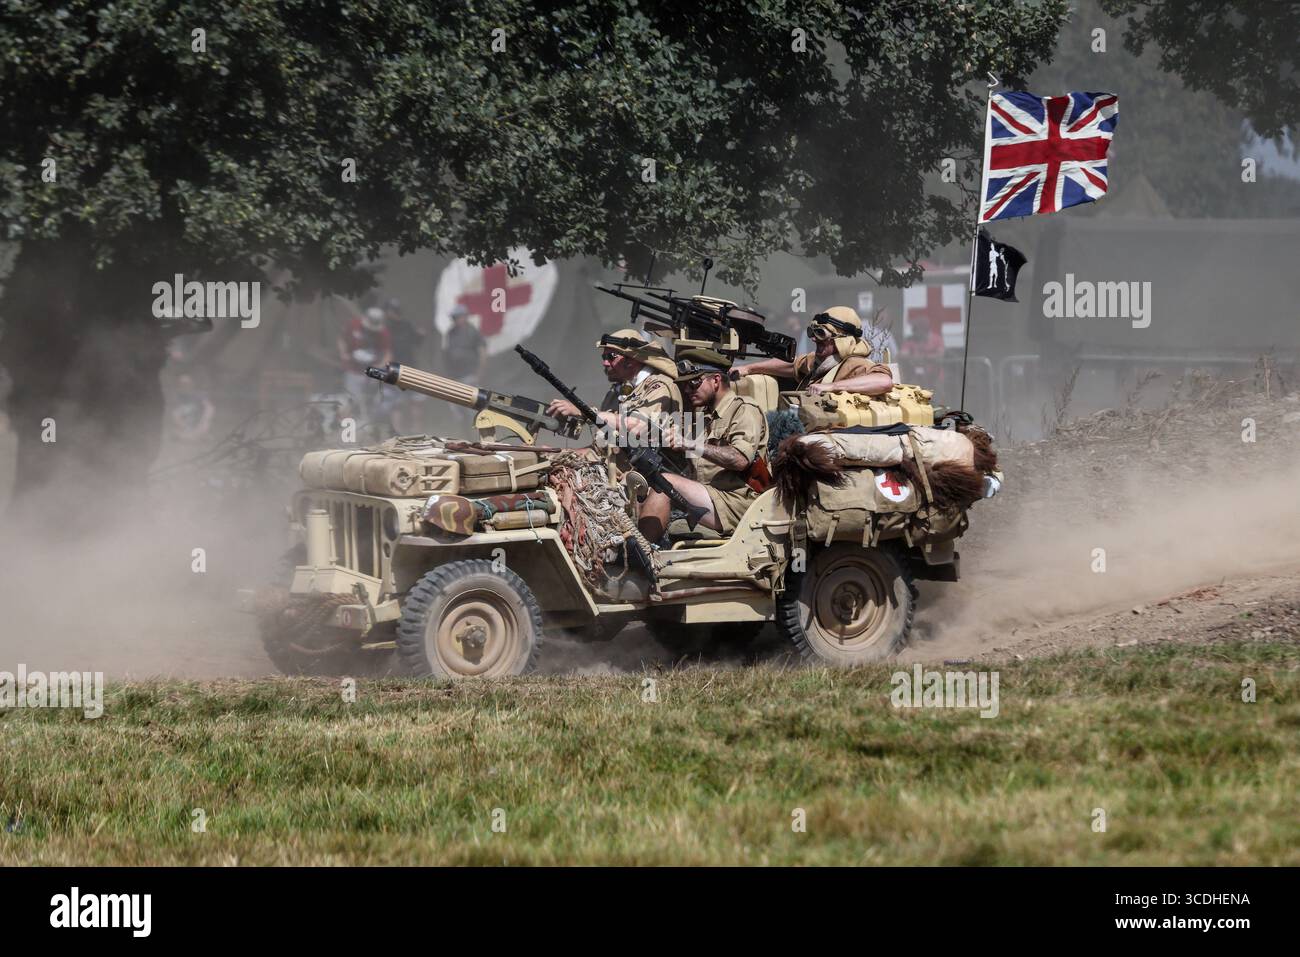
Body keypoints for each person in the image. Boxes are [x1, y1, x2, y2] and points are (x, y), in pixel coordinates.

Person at [638, 348, 768, 541]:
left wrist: (689, 444)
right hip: (709, 497)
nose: (689, 391)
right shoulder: (702, 417)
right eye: (686, 386)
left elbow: (740, 459)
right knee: (644, 485)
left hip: (737, 503)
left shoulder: (745, 409)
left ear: (716, 380)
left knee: (665, 482)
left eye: (694, 383)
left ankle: (640, 555)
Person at [546, 328, 685, 467]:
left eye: (611, 356)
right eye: (604, 357)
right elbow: (601, 449)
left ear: (631, 360)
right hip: (613, 472)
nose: (605, 363)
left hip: (648, 480)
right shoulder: (616, 392)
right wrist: (558, 454)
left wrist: (584, 411)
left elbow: (638, 426)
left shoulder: (660, 387)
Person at [733, 306, 894, 395]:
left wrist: (833, 386)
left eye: (821, 333)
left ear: (842, 340)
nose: (814, 339)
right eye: (813, 332)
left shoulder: (855, 364)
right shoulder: (820, 362)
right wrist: (748, 368)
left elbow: (883, 381)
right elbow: (792, 364)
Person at [338, 306, 393, 419]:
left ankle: (371, 424)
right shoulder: (354, 325)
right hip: (353, 368)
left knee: (377, 399)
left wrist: (381, 365)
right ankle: (345, 426)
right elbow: (342, 340)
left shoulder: (384, 333)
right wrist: (343, 353)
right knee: (351, 399)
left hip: (373, 370)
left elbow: (387, 353)